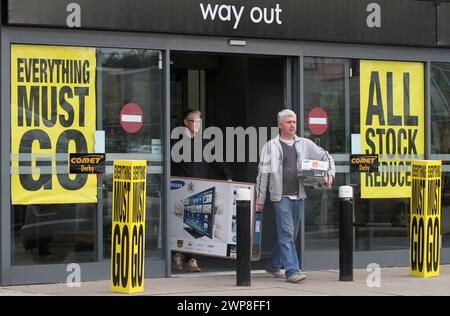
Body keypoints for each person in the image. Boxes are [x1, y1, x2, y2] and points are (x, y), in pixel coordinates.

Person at [256, 109, 335, 283]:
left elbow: (325, 156)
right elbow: (262, 175)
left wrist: (330, 174)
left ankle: (273, 265)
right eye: (289, 122)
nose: (292, 125)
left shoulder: (304, 144)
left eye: (294, 122)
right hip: (280, 197)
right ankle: (292, 271)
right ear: (280, 125)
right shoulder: (270, 146)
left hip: (299, 196)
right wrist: (260, 200)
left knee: (290, 235)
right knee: (286, 232)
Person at [171, 109, 232, 272]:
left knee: (196, 225)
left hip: (200, 189)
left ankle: (192, 259)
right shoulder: (175, 141)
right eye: (194, 121)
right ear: (185, 122)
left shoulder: (204, 143)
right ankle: (176, 255)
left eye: (199, 122)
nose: (197, 125)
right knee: (179, 222)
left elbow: (216, 161)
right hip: (180, 188)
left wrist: (227, 177)